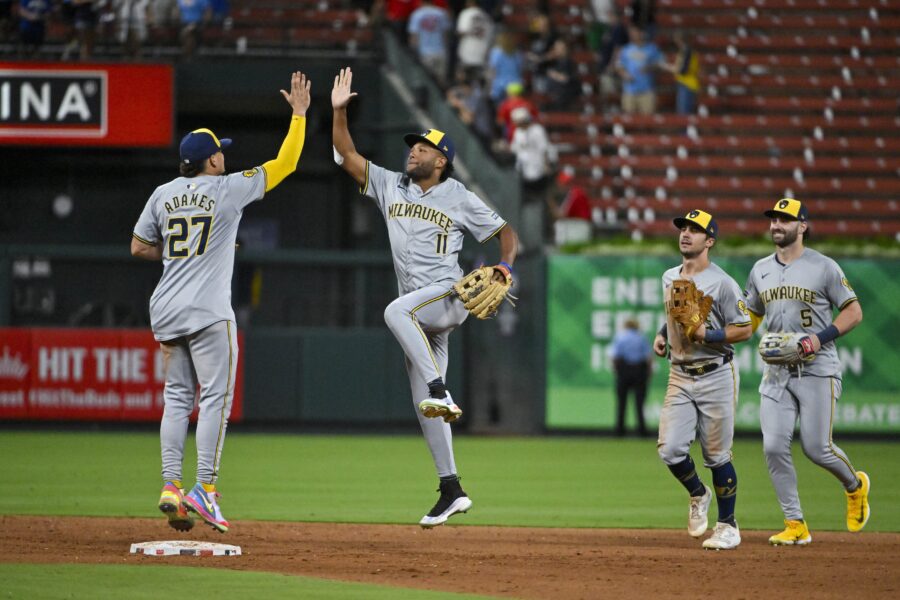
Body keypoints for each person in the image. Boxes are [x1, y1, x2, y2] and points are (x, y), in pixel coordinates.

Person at [331, 67, 519, 528]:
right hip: (421, 316)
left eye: (423, 147)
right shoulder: (390, 185)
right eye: (412, 146)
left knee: (395, 311)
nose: (413, 151)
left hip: (448, 296)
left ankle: (441, 388)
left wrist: (506, 266)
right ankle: (451, 488)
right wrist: (338, 112)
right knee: (426, 410)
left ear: (442, 160)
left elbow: (506, 233)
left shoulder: (458, 195)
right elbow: (347, 153)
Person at [131, 71, 311, 533]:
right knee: (214, 400)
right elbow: (286, 162)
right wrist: (299, 115)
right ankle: (205, 490)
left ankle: (171, 485)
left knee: (175, 399)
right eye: (221, 151)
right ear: (210, 160)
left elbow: (138, 247)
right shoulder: (227, 189)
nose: (224, 156)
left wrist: (180, 251)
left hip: (166, 308)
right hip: (208, 311)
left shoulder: (161, 194)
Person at [744, 198, 870, 545]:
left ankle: (855, 485)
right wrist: (734, 334)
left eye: (785, 220)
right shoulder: (760, 270)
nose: (776, 225)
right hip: (777, 374)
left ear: (802, 226)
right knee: (772, 447)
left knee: (817, 448)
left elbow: (853, 311)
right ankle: (795, 523)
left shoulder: (823, 266)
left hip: (818, 368)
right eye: (773, 219)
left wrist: (820, 338)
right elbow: (751, 315)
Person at [653, 209, 753, 550]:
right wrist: (663, 333)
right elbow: (675, 314)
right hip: (679, 373)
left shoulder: (722, 282)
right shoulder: (670, 276)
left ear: (709, 240)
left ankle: (728, 526)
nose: (685, 233)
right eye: (683, 227)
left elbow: (745, 328)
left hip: (716, 373)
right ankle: (698, 493)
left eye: (695, 230)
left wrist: (706, 334)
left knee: (717, 456)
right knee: (669, 450)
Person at [609, 319, 652, 436]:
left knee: (621, 402)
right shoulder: (642, 338)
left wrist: (616, 371)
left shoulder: (620, 338)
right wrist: (648, 373)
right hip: (639, 370)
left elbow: (614, 357)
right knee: (639, 403)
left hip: (624, 370)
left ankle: (619, 430)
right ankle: (642, 431)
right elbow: (648, 358)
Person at [616, 26, 662, 115]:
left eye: (635, 33)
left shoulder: (652, 48)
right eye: (631, 33)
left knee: (648, 121)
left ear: (642, 33)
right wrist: (624, 74)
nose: (633, 35)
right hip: (629, 91)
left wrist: (649, 68)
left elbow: (660, 64)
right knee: (629, 121)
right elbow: (619, 65)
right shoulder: (625, 50)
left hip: (647, 90)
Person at [408, 0, 452, 85]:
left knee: (426, 82)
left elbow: (414, 37)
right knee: (440, 81)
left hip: (425, 52)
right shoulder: (441, 13)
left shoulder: (417, 14)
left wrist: (413, 50)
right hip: (440, 51)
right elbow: (446, 35)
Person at [662, 31, 701, 115]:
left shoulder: (687, 51)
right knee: (683, 112)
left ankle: (685, 128)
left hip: (687, 84)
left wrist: (667, 67)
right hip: (685, 83)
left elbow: (682, 70)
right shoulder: (684, 51)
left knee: (683, 114)